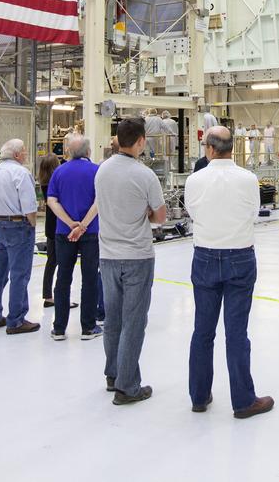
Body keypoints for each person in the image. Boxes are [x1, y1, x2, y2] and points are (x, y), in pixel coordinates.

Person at [184, 126, 274, 419]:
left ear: (209, 149)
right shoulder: (248, 179)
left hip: (205, 257)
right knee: (236, 333)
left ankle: (199, 396)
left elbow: (193, 214)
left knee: (202, 330)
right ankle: (243, 401)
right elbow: (253, 214)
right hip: (240, 257)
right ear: (231, 148)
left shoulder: (194, 180)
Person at [96, 117, 167, 404]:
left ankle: (113, 375)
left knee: (113, 319)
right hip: (137, 255)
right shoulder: (145, 175)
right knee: (134, 321)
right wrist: (145, 215)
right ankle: (128, 386)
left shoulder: (102, 171)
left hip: (108, 256)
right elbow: (160, 216)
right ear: (140, 141)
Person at [46, 134, 103, 341]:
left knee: (63, 278)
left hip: (64, 233)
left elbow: (52, 201)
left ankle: (59, 328)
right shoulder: (97, 171)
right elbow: (99, 201)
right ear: (88, 151)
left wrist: (70, 224)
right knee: (89, 278)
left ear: (68, 151)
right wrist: (83, 225)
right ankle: (88, 327)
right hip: (90, 232)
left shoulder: (59, 172)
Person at [0, 138, 40, 334]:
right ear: (17, 155)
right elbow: (30, 207)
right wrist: (31, 226)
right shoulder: (21, 173)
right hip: (18, 226)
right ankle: (16, 320)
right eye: (24, 151)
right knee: (19, 274)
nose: (25, 154)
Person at [37, 153, 62, 307]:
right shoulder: (56, 184)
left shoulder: (44, 184)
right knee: (63, 262)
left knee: (51, 261)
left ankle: (48, 295)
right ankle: (58, 294)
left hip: (50, 226)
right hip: (60, 226)